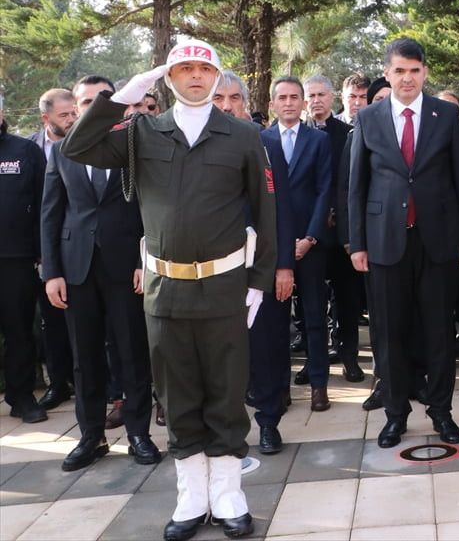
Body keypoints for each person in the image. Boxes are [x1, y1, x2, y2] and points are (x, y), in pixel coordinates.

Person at [61, 40, 278, 541]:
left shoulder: (243, 135)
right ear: (169, 78)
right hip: (165, 288)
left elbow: (266, 211)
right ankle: (191, 496)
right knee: (176, 393)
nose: (196, 77)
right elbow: (76, 147)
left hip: (225, 285)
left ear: (217, 76)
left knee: (225, 391)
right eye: (185, 69)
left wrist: (258, 281)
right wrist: (120, 98)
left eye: (205, 69)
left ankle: (228, 495)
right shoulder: (141, 132)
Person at [348, 38, 459, 448]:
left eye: (415, 71)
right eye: (399, 71)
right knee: (388, 333)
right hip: (385, 242)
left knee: (440, 331)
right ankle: (395, 414)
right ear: (387, 73)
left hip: (438, 240)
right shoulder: (368, 118)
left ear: (425, 73)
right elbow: (356, 186)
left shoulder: (446, 115)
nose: (407, 78)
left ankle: (441, 412)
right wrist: (356, 244)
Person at [41, 75, 160, 472]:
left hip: (127, 267)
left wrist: (146, 260)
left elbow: (151, 210)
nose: (94, 106)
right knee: (85, 358)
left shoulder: (133, 146)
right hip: (77, 269)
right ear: (76, 107)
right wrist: (52, 272)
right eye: (87, 100)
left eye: (103, 99)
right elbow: (51, 214)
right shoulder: (62, 152)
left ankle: (139, 434)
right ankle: (91, 437)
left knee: (133, 353)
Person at [213, 71, 295, 457]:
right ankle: (225, 429)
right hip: (212, 272)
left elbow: (281, 210)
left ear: (246, 103)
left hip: (260, 268)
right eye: (218, 99)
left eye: (234, 98)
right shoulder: (194, 148)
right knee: (222, 355)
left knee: (267, 347)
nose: (227, 106)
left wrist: (282, 266)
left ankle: (268, 422)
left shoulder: (266, 145)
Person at [265, 77, 334, 412]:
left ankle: (320, 384)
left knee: (314, 316)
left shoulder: (318, 141)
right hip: (273, 248)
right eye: (283, 97)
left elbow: (325, 191)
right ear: (272, 104)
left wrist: (310, 237)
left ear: (304, 102)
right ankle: (280, 388)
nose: (289, 103)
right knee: (276, 322)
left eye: (295, 97)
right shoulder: (259, 141)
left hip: (310, 244)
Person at [303, 75, 361, 383]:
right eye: (310, 95)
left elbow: (349, 181)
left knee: (347, 297)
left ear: (332, 98)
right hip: (308, 232)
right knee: (310, 301)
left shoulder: (348, 133)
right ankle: (312, 362)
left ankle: (349, 356)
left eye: (321, 94)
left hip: (341, 232)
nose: (315, 100)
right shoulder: (295, 134)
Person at [0, 94, 49, 424]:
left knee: (19, 330)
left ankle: (21, 397)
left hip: (16, 259)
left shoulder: (24, 151)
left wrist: (42, 252)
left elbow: (47, 202)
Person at [29, 87, 78, 410]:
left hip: (81, 248)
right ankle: (58, 383)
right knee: (52, 321)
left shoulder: (89, 143)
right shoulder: (29, 148)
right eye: (65, 116)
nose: (72, 119)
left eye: (74, 112)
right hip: (43, 252)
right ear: (47, 119)